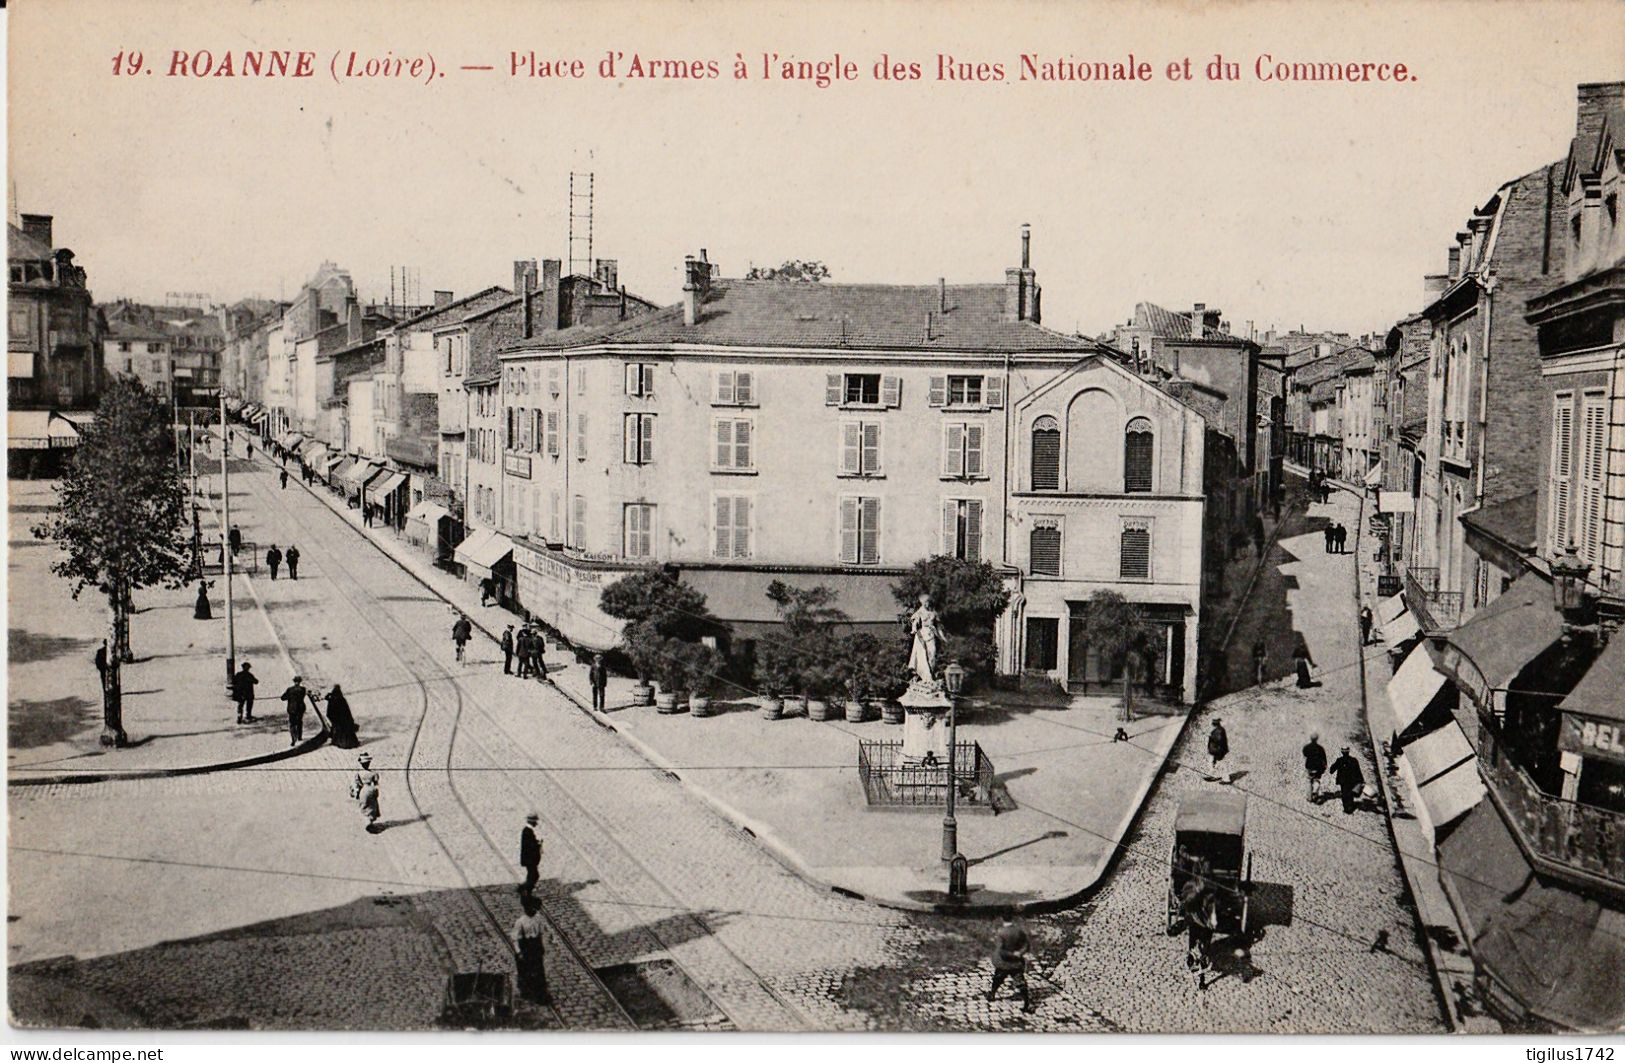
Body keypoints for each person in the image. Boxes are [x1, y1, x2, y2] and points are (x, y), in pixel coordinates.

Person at [1180, 859, 1218, 986]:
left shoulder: (1211, 891)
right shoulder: (1192, 886)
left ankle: (1202, 978)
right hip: (1195, 919)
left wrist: (1212, 918)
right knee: (1191, 936)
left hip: (1206, 922)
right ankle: (1191, 954)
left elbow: (1212, 904)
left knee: (1204, 948)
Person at [986, 915, 1034, 1012]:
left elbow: (1001, 951)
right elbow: (1026, 945)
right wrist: (1019, 953)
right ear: (1013, 918)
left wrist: (1011, 954)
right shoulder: (1018, 931)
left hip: (1003, 963)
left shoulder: (1000, 932)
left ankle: (992, 995)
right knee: (1020, 983)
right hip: (1016, 963)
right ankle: (1027, 1004)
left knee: (997, 979)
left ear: (1002, 918)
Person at [512, 894, 548, 1004]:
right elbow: (515, 939)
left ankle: (540, 993)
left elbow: (542, 933)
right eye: (531, 908)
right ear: (526, 908)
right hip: (526, 948)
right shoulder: (521, 922)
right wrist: (519, 952)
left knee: (538, 970)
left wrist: (542, 946)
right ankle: (527, 991)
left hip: (535, 947)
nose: (534, 910)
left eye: (535, 908)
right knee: (527, 971)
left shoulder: (538, 919)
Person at [907, 594, 942, 685]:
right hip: (922, 635)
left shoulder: (933, 613)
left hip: (931, 634)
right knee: (923, 656)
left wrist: (942, 637)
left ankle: (931, 675)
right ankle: (926, 676)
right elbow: (914, 622)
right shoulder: (920, 612)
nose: (926, 604)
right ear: (922, 603)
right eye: (924, 602)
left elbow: (938, 627)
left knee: (932, 654)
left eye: (928, 602)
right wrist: (914, 629)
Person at [351, 751, 381, 831]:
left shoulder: (359, 773)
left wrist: (356, 792)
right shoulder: (373, 773)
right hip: (371, 790)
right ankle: (370, 824)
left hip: (363, 791)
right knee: (372, 806)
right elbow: (376, 783)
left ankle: (368, 822)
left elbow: (357, 783)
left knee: (365, 806)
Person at [1330, 746, 1365, 814]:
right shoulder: (1354, 760)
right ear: (1348, 752)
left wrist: (1332, 769)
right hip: (1352, 780)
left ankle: (1346, 807)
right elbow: (1358, 771)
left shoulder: (1339, 760)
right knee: (1350, 793)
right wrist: (1361, 780)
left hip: (1343, 781)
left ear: (1342, 752)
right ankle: (1350, 806)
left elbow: (1332, 769)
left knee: (1344, 793)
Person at [322, 683, 359, 749]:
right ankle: (348, 743)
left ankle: (337, 742)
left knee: (337, 730)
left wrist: (329, 695)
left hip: (336, 719)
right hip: (344, 719)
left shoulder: (332, 699)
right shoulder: (342, 699)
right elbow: (347, 711)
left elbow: (329, 710)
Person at [280, 675, 310, 746]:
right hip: (300, 708)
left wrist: (288, 697)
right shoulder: (303, 689)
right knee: (299, 722)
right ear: (300, 682)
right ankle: (299, 736)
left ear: (294, 681)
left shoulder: (290, 689)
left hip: (292, 709)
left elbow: (282, 698)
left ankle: (293, 739)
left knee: (292, 724)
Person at [519, 812, 542, 896]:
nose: (536, 823)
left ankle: (526, 889)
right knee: (534, 875)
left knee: (531, 874)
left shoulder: (527, 830)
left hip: (529, 859)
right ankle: (526, 890)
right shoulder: (528, 831)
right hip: (530, 859)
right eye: (535, 821)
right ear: (532, 822)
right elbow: (530, 845)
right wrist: (537, 844)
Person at [1302, 732, 1328, 802]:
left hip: (1309, 767)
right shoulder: (1320, 748)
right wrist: (1325, 766)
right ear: (1317, 739)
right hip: (1318, 767)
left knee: (1309, 781)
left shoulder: (1307, 747)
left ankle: (1309, 797)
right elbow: (1324, 758)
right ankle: (1315, 791)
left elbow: (1305, 754)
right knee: (1317, 780)